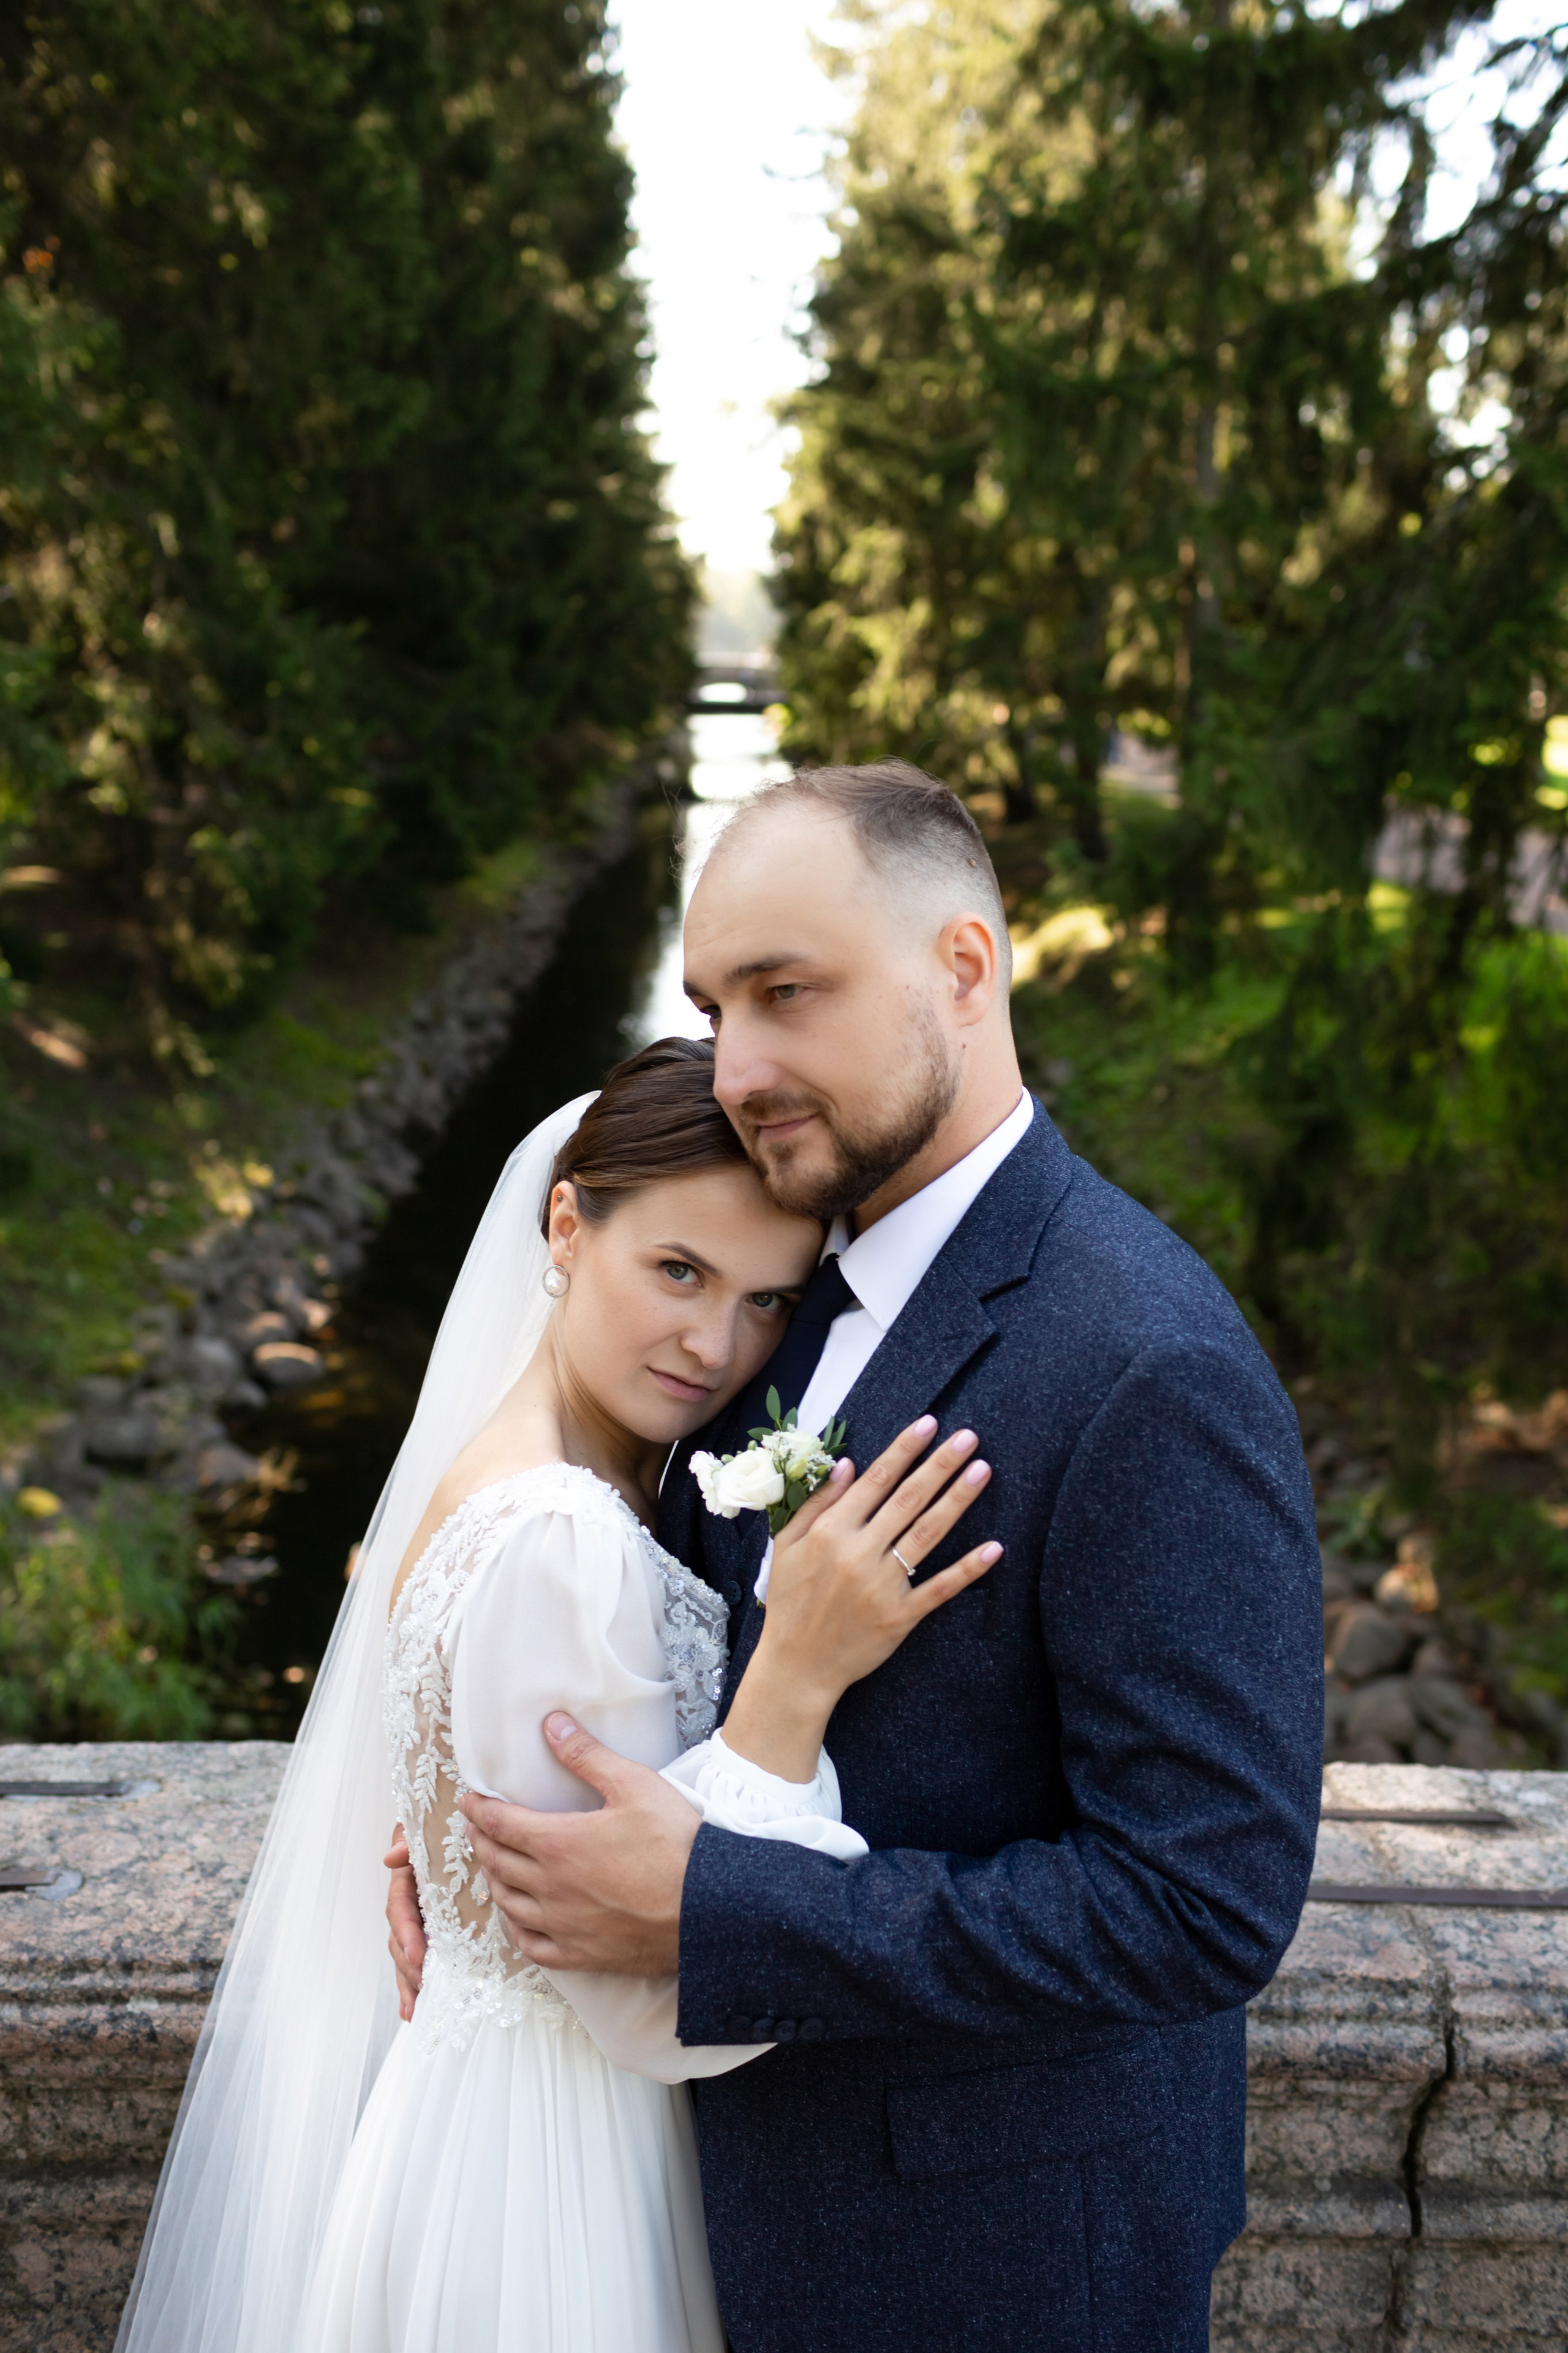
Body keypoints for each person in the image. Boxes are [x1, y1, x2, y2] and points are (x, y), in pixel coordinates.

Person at [397, 761, 1324, 2353]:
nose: (735, 1063)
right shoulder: (774, 1271)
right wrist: (468, 1805)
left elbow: (1201, 1898)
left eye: (787, 994)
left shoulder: (1144, 1359)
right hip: (697, 2204)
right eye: (711, 1003)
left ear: (964, 969)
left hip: (988, 2259)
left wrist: (720, 1911)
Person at [113, 1037, 1000, 2353]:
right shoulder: (555, 1531)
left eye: (768, 1301)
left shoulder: (554, 1478)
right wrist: (797, 1676)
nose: (716, 1344)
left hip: (486, 2123)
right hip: (550, 2184)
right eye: (679, 1271)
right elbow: (649, 1987)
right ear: (567, 1223)